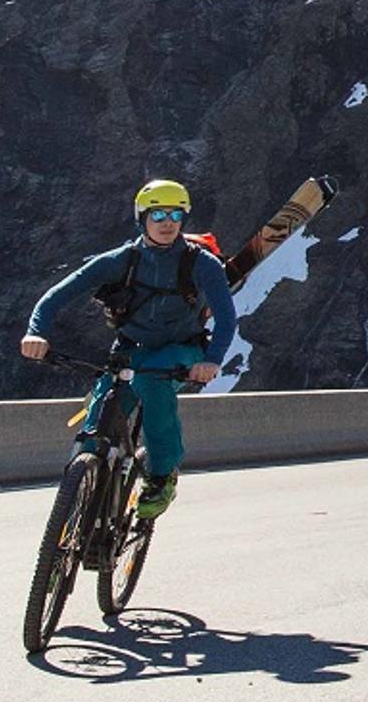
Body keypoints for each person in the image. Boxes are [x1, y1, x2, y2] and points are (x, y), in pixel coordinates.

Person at [20, 180, 237, 523]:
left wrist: (211, 361)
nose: (168, 223)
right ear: (142, 218)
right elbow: (56, 296)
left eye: (176, 215)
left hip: (182, 350)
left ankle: (161, 478)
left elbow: (226, 317)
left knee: (151, 383)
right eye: (158, 215)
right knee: (97, 421)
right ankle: (81, 501)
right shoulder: (122, 260)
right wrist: (36, 333)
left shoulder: (202, 264)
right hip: (130, 350)